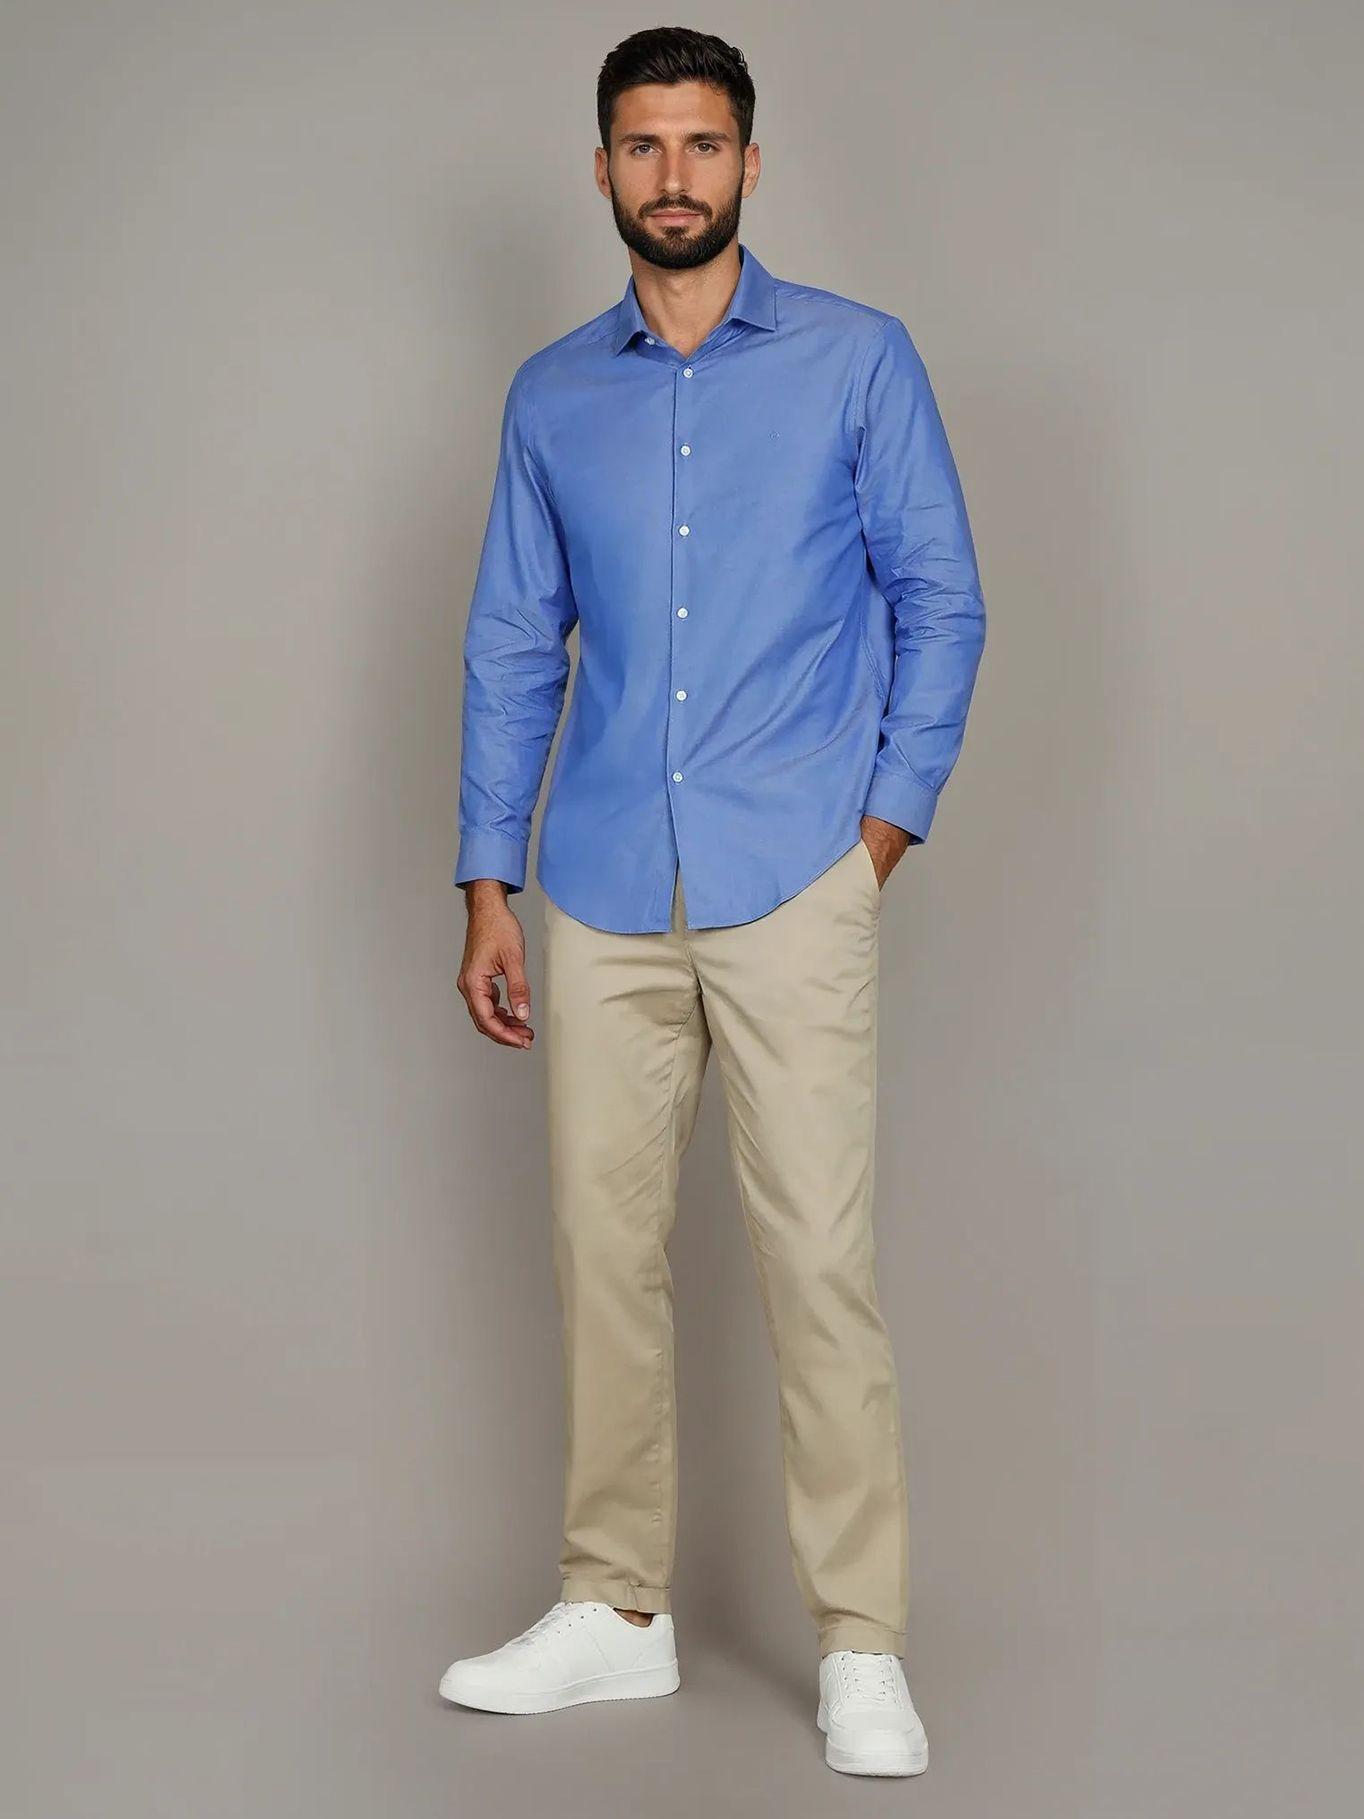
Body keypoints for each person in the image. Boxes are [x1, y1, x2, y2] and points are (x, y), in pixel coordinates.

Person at [440, 25, 986, 1779]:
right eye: (641, 145)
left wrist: (877, 836)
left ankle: (861, 1641)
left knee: (817, 1256)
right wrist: (490, 880)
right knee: (602, 1254)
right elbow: (514, 643)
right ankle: (616, 1611)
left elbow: (942, 599)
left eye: (701, 143)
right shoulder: (551, 396)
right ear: (600, 169)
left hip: (791, 875)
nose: (671, 175)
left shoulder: (856, 361)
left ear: (751, 162)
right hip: (600, 883)